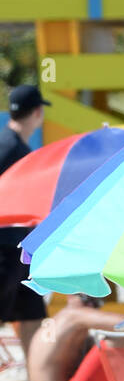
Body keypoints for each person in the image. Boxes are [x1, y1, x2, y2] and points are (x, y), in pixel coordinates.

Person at [1, 84, 53, 363]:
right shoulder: (12, 148)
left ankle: (36, 378)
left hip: (19, 248)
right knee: (28, 315)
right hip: (7, 248)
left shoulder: (11, 145)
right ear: (37, 112)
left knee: (32, 313)